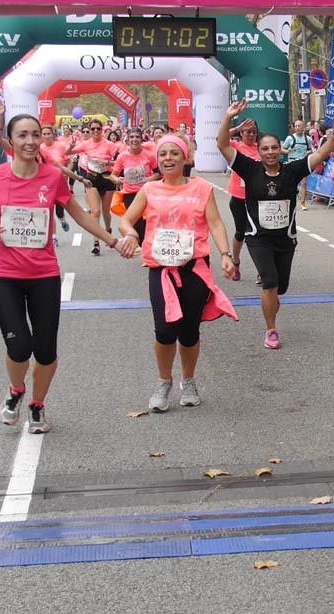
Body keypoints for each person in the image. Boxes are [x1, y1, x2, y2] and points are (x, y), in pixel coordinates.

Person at [0, 114, 135, 433]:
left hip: (44, 274)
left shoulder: (52, 177)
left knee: (45, 349)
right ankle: (16, 390)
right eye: (22, 135)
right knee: (19, 346)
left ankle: (37, 405)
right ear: (11, 139)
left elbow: (82, 216)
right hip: (4, 272)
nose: (30, 141)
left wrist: (114, 240)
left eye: (35, 134)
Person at [119, 135, 239, 412]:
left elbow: (216, 223)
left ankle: (189, 380)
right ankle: (163, 383)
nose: (168, 159)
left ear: (186, 158)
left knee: (188, 331)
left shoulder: (201, 188)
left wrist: (225, 254)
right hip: (161, 269)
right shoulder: (149, 190)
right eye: (163, 155)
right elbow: (127, 220)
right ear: (157, 160)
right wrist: (130, 236)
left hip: (194, 267)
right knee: (163, 330)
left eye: (175, 153)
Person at [217, 100, 334, 349]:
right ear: (259, 150)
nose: (271, 152)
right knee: (270, 282)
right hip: (258, 238)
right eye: (265, 148)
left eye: (275, 148)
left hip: (285, 240)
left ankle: (272, 299)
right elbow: (222, 144)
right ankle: (271, 330)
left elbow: (319, 154)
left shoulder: (292, 171)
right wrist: (228, 117)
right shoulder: (249, 168)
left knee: (280, 287)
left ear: (280, 149)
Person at [65, 120, 121, 256]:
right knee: (95, 212)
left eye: (98, 129)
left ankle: (108, 230)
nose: (95, 131)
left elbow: (120, 160)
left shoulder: (109, 145)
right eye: (93, 129)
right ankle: (96, 243)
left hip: (107, 178)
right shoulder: (85, 144)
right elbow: (67, 153)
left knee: (106, 211)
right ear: (89, 130)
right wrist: (71, 146)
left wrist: (107, 162)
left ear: (102, 130)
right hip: (92, 178)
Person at [226, 117, 260, 282]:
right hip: (238, 197)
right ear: (241, 133)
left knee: (259, 234)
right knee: (241, 233)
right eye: (248, 132)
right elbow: (220, 139)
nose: (251, 135)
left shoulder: (260, 148)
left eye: (254, 132)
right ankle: (236, 262)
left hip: (258, 198)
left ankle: (262, 269)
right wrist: (237, 127)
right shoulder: (236, 146)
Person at [110, 127, 159, 241]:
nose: (134, 139)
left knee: (145, 223)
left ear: (141, 139)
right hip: (130, 195)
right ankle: (144, 248)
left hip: (146, 194)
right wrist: (117, 180)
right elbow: (113, 175)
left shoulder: (149, 155)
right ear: (128, 140)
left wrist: (149, 179)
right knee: (136, 224)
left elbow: (158, 173)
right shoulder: (122, 156)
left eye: (137, 137)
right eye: (132, 137)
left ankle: (146, 249)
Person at [281, 119, 315, 210]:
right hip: (292, 162)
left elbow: (310, 150)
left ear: (303, 127)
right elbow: (282, 149)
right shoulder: (290, 138)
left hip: (302, 163)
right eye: (295, 126)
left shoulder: (307, 139)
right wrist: (287, 151)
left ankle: (303, 203)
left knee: (304, 183)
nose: (297, 128)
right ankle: (288, 200)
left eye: (299, 126)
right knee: (291, 183)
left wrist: (308, 152)